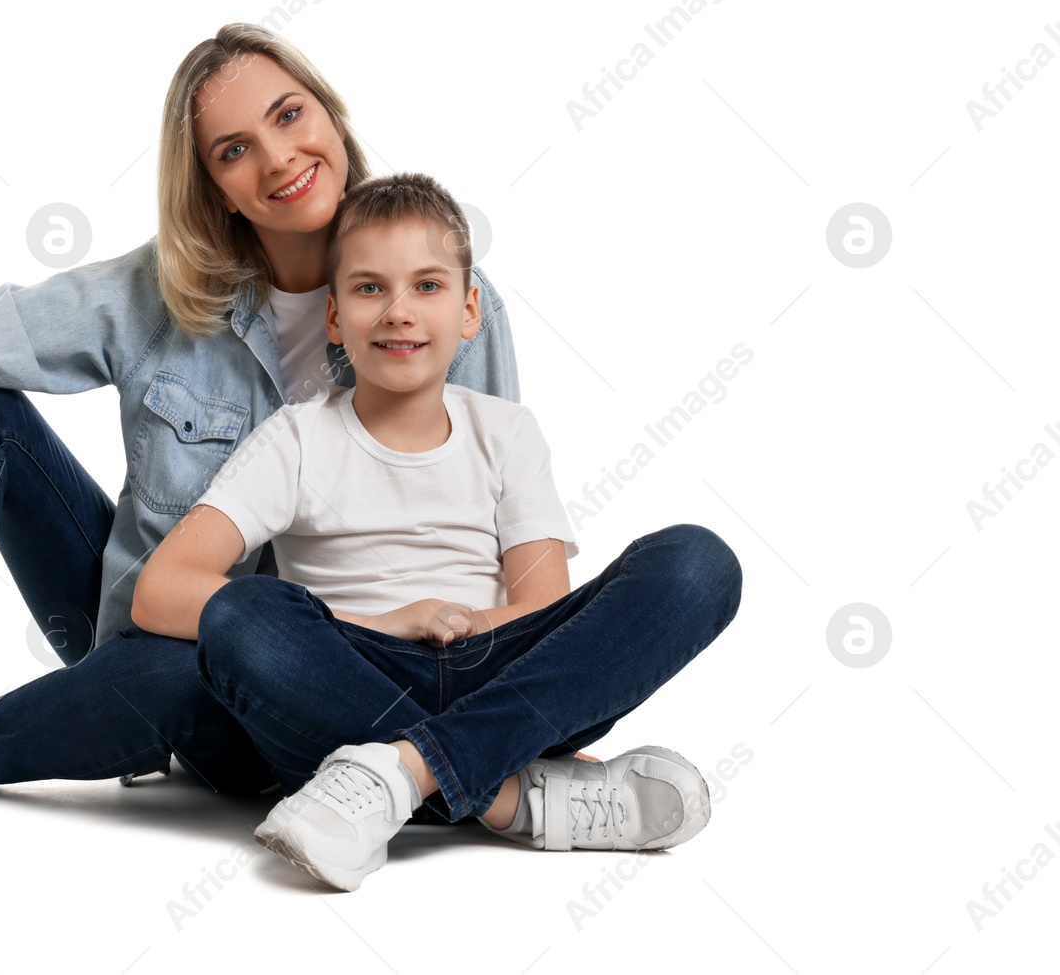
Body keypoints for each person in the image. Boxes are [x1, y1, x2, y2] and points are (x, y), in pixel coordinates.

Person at [0, 23, 523, 837]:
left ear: (332, 115)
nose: (279, 158)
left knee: (196, 663)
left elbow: (488, 530)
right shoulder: (162, 288)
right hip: (149, 628)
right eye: (234, 149)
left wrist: (504, 734)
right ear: (212, 185)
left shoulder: (447, 297)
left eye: (289, 115)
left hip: (324, 686)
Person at [131, 172, 743, 890]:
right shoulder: (297, 437)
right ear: (333, 316)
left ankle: (404, 771)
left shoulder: (507, 431)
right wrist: (385, 625)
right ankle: (513, 796)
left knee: (700, 562)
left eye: (427, 286)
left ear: (469, 308)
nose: (398, 311)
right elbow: (161, 591)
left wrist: (469, 627)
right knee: (239, 611)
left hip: (496, 669)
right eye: (369, 289)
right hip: (346, 681)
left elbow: (544, 611)